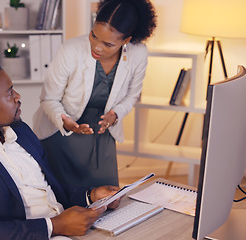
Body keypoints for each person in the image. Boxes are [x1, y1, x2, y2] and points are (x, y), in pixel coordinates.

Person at [0, 61, 121, 240]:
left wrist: (91, 196)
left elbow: (50, 191)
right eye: (9, 93)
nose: (18, 97)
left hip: (69, 230)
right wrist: (54, 226)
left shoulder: (21, 131)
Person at [33, 0, 157, 188]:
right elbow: (49, 98)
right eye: (94, 36)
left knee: (107, 200)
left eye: (107, 44)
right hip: (63, 133)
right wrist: (64, 120)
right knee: (65, 200)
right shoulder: (71, 49)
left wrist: (115, 114)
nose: (97, 47)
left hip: (102, 134)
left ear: (126, 41)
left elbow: (132, 96)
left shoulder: (138, 54)